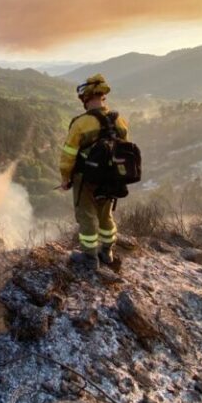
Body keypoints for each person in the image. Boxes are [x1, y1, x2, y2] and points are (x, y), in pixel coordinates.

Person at [59, 74, 129, 271]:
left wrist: (65, 177)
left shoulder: (81, 123)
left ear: (86, 98)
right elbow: (123, 150)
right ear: (102, 96)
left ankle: (90, 259)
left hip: (86, 178)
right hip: (111, 178)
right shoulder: (119, 121)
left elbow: (68, 156)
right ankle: (107, 252)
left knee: (87, 216)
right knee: (106, 214)